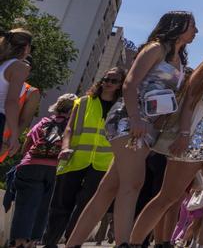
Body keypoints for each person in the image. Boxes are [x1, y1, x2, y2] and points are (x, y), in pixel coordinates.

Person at [65, 10, 195, 248]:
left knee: (108, 190)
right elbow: (130, 83)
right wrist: (135, 118)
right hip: (129, 120)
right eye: (192, 25)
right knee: (134, 183)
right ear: (177, 26)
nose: (196, 31)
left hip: (149, 127)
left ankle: (73, 243)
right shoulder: (155, 49)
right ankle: (124, 243)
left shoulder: (180, 60)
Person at [129, 28, 203, 248]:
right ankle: (134, 243)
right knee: (169, 195)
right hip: (196, 132)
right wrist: (184, 134)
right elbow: (189, 103)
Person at [43, 68, 124, 247]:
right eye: (106, 79)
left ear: (121, 85)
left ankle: (73, 243)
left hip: (102, 164)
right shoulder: (84, 102)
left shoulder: (122, 107)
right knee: (60, 205)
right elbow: (69, 128)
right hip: (75, 158)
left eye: (114, 80)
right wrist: (65, 147)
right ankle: (50, 242)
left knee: (85, 207)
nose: (108, 82)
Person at [10, 93, 76, 247]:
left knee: (26, 204)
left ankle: (19, 242)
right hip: (56, 169)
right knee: (44, 207)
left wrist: (25, 160)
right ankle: (33, 241)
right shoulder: (71, 128)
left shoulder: (43, 122)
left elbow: (28, 143)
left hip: (31, 166)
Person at [0, 28, 34, 158]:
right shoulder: (19, 67)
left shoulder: (2, 63)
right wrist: (14, 135)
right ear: (26, 47)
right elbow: (11, 102)